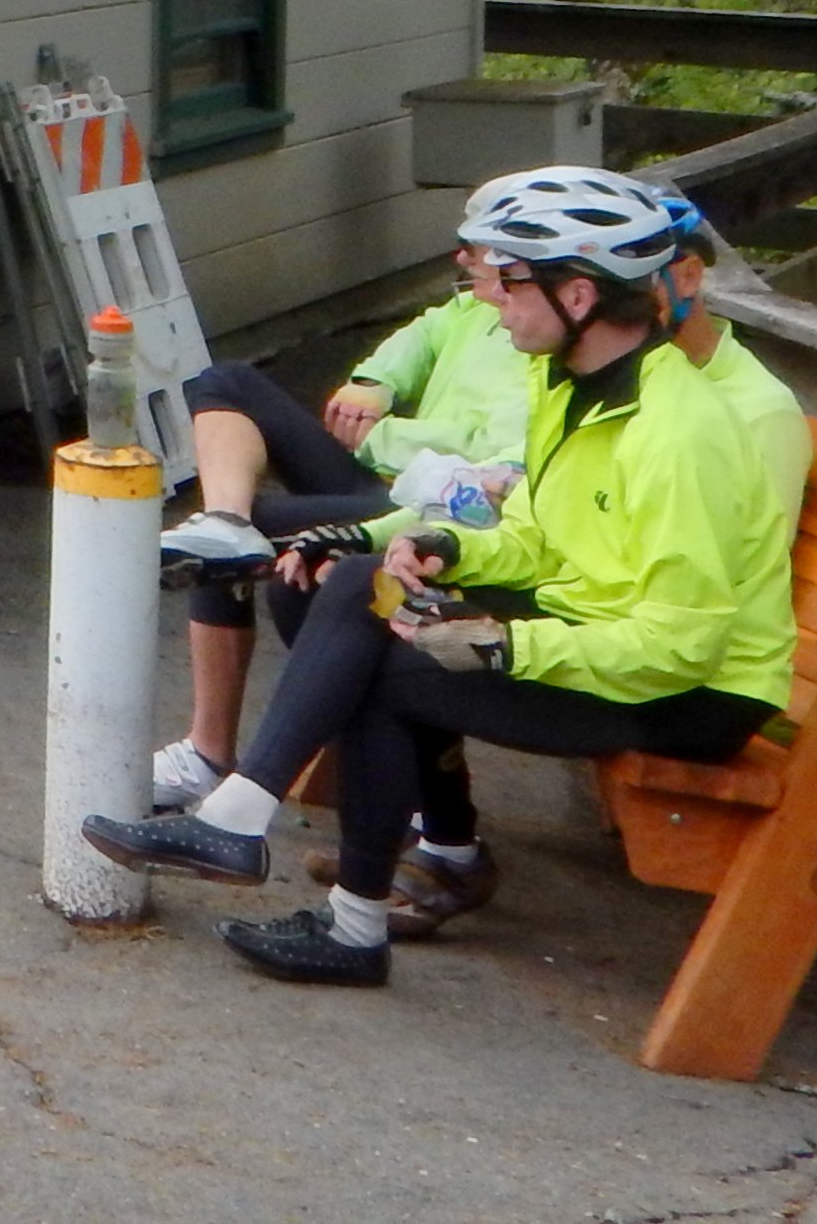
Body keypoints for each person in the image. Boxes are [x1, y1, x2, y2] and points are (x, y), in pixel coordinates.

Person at [79, 164, 802, 985]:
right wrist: (440, 546)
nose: (495, 299)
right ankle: (249, 833)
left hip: (694, 693)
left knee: (382, 672)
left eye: (514, 280)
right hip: (601, 628)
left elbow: (684, 643)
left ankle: (321, 900)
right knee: (359, 584)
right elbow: (540, 535)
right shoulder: (572, 384)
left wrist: (506, 647)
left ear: (580, 295)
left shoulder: (679, 434)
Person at [146, 224, 541, 806]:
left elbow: (482, 460)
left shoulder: (543, 338)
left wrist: (380, 435)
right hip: (395, 487)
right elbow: (419, 339)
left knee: (266, 529)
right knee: (227, 385)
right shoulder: (471, 311)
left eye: (478, 247)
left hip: (446, 517)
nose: (461, 256)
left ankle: (209, 754)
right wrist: (372, 383)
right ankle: (225, 522)